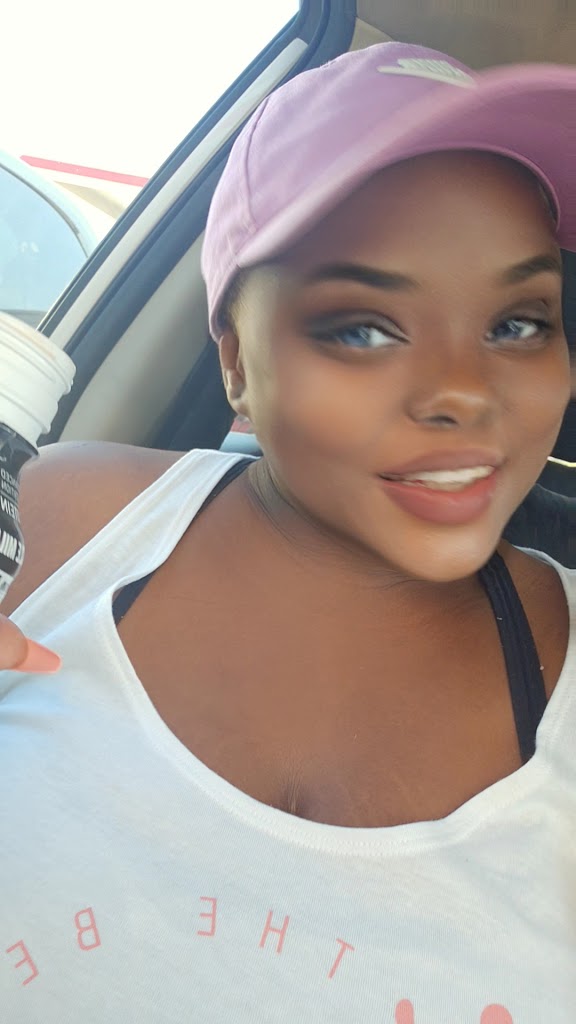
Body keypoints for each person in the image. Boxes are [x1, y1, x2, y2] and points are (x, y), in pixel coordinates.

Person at [0, 42, 574, 1024]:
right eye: (363, 327)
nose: (464, 392)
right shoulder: (62, 521)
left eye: (519, 322)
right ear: (234, 361)